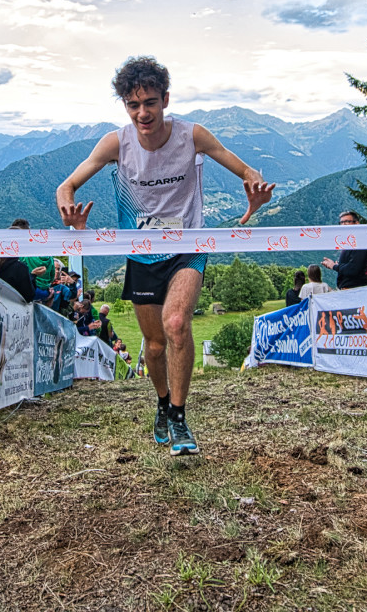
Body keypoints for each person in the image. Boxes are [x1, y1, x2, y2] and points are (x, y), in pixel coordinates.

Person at [56, 56, 274, 456]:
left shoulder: (193, 135)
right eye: (133, 105)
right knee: (154, 346)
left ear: (166, 100)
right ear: (125, 106)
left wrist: (255, 190)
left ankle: (178, 415)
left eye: (150, 103)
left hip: (188, 248)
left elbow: (247, 171)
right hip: (142, 255)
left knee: (176, 324)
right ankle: (161, 402)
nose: (143, 113)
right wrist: (68, 209)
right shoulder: (116, 143)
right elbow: (66, 185)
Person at [321, 210, 367, 289]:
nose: (343, 224)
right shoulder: (349, 244)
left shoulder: (359, 243)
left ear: (357, 223)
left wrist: (334, 266)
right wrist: (337, 266)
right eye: (341, 222)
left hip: (354, 289)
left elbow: (354, 269)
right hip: (347, 289)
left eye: (347, 221)